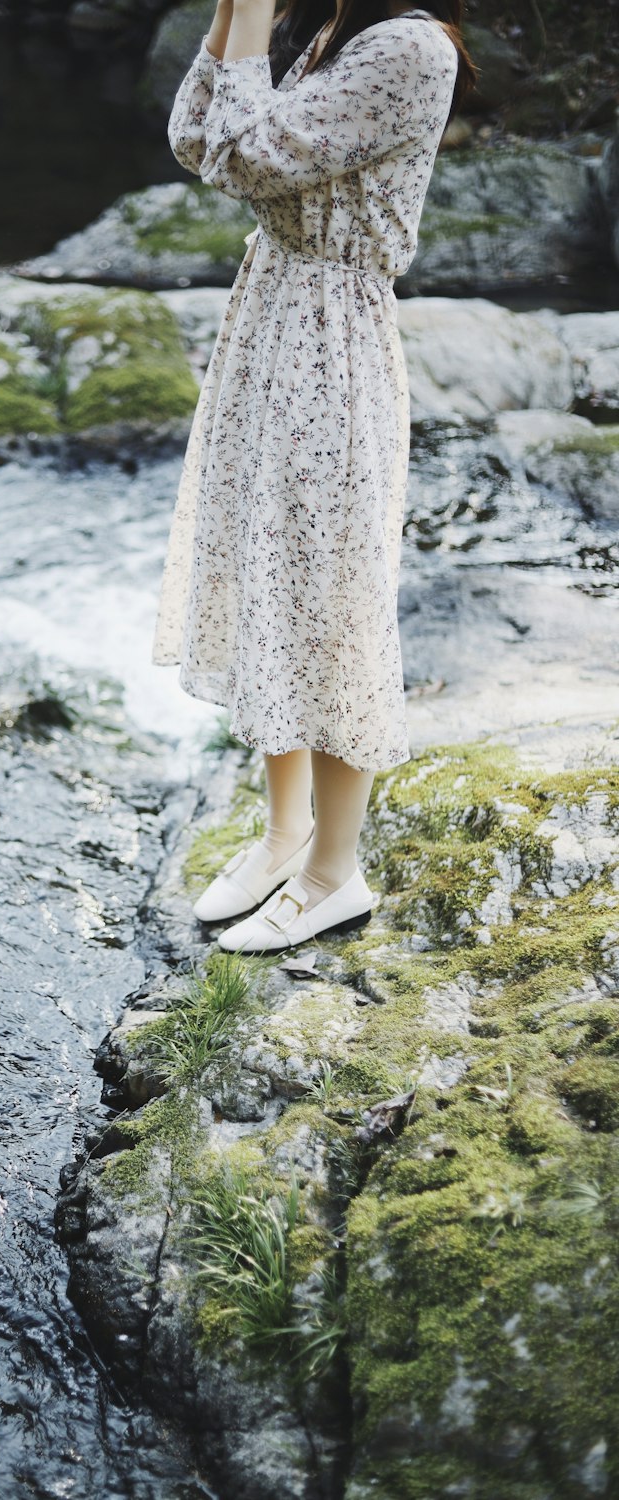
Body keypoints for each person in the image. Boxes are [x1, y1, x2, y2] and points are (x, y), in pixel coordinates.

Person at [150, 0, 476, 953]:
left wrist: (251, 11)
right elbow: (192, 138)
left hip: (333, 335)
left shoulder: (409, 47)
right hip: (270, 315)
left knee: (330, 594)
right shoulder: (327, 23)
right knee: (267, 573)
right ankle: (284, 832)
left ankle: (337, 870)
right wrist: (233, 14)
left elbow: (249, 159)